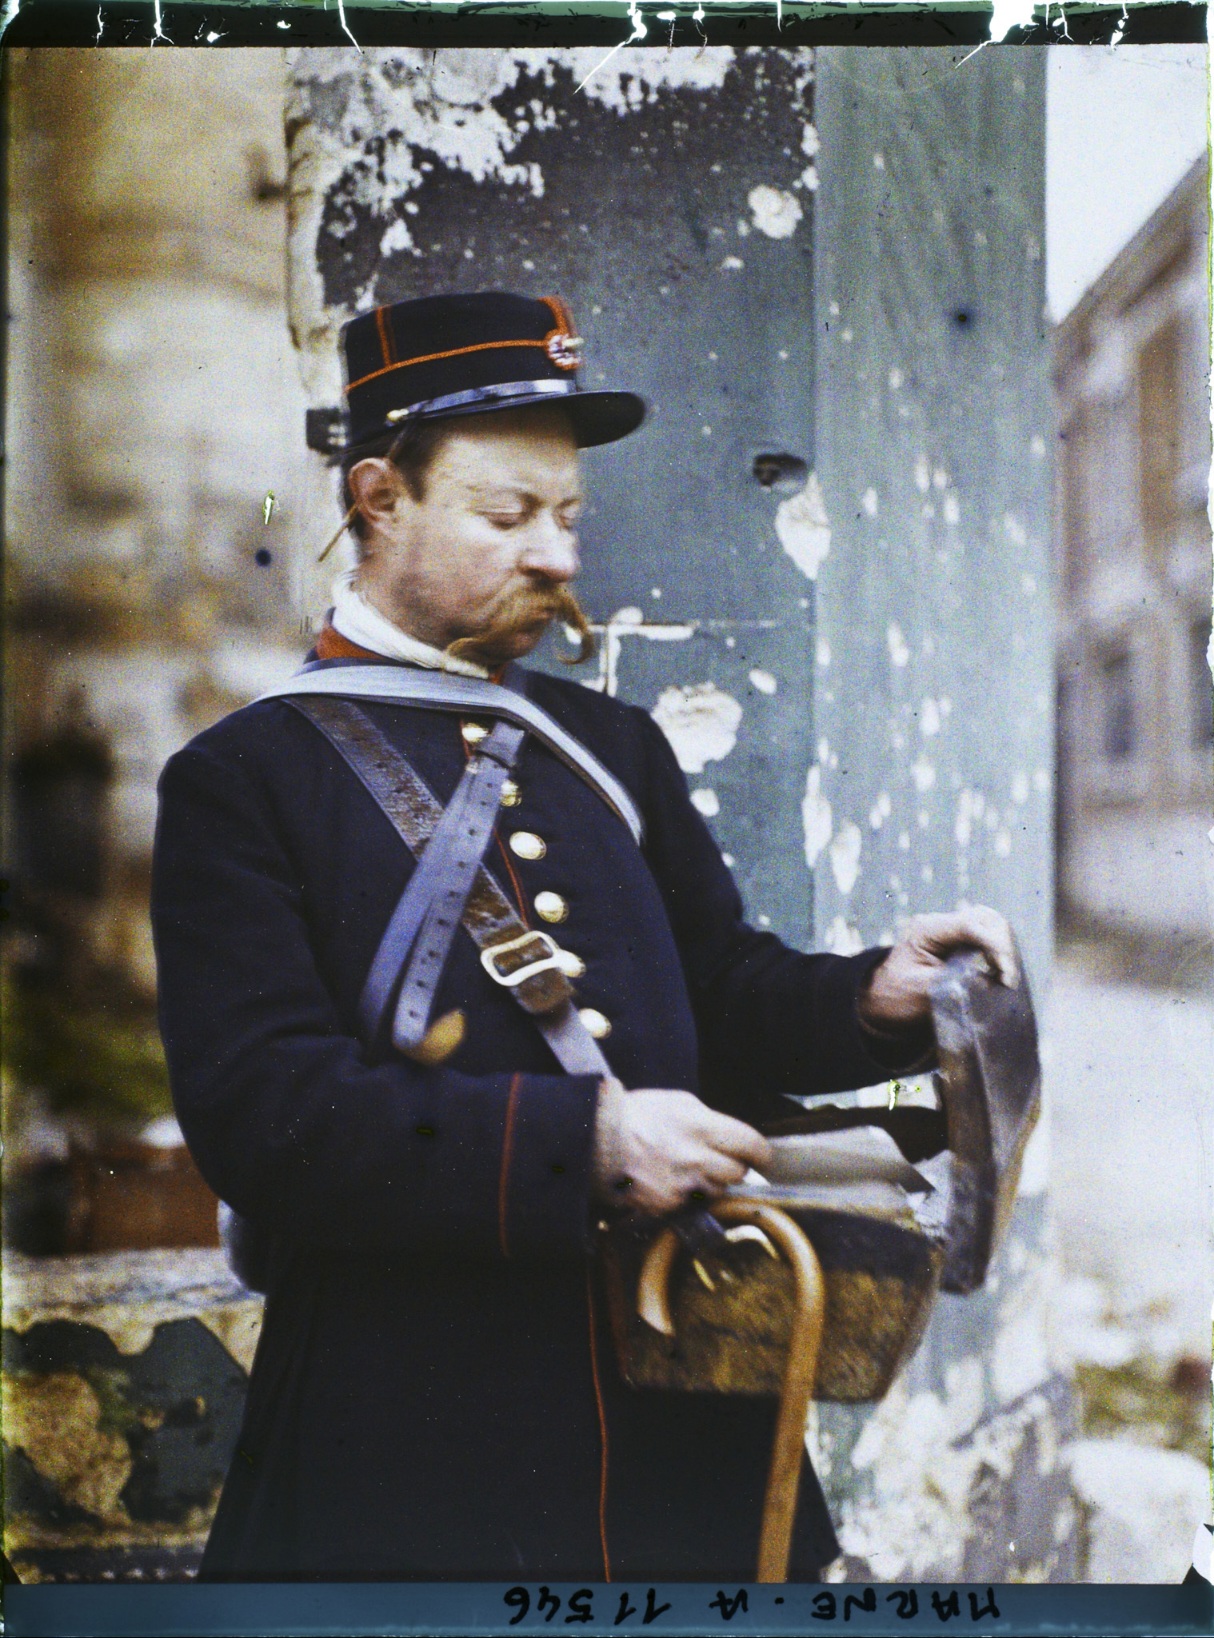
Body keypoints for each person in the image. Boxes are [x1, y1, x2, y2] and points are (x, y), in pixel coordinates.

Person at [151, 291, 1018, 1583]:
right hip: (411, 1430)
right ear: (380, 498)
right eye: (507, 516)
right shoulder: (245, 778)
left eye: (567, 517)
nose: (554, 554)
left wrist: (870, 998)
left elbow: (717, 989)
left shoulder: (609, 749)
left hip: (685, 1408)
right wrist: (590, 1142)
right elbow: (267, 1116)